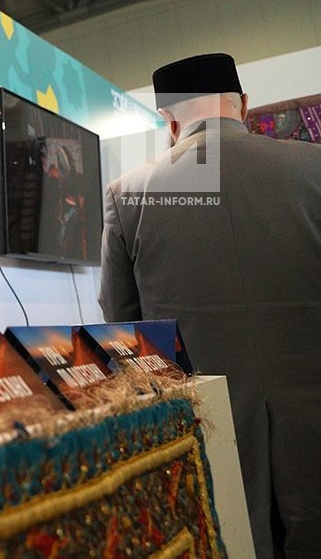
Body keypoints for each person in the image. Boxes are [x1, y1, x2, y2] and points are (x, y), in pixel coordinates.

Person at [98, 53, 321, 558]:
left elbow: (123, 329)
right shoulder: (314, 167)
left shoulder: (128, 195)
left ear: (170, 121)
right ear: (243, 104)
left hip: (210, 440)